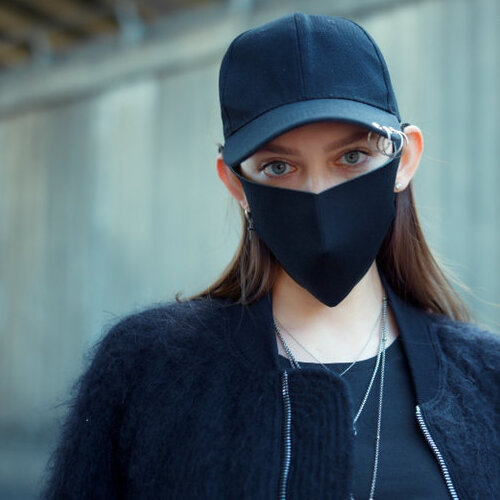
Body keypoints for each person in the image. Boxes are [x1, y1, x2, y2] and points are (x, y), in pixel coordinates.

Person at [43, 13, 499, 500]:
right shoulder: (147, 368)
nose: (319, 193)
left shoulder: (486, 377)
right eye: (279, 166)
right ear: (235, 182)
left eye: (351, 157)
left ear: (404, 160)